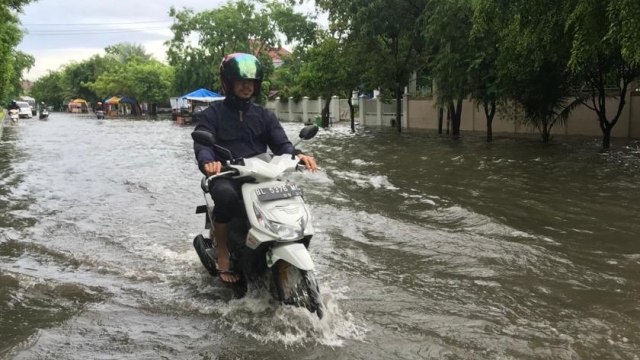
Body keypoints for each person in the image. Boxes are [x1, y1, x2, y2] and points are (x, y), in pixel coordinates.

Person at [193, 53, 318, 283]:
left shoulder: (264, 115)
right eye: (240, 81)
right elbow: (203, 144)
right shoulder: (213, 115)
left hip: (260, 174)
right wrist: (209, 162)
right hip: (227, 174)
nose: (246, 86)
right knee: (226, 197)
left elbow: (282, 145)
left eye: (250, 82)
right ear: (228, 83)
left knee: (290, 196)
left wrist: (299, 155)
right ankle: (223, 253)